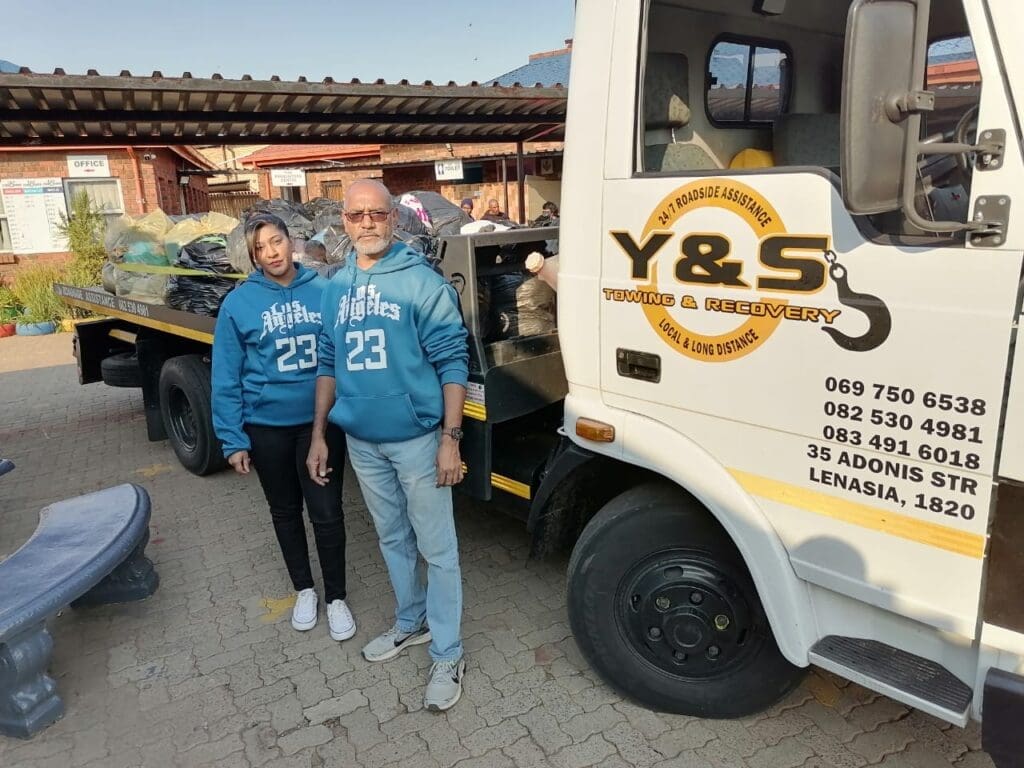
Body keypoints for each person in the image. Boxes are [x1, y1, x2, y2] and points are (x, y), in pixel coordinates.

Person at [307, 179, 469, 711]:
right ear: (344, 222)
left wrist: (450, 438)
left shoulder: (421, 282)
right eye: (356, 216)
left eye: (376, 214)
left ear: (393, 219)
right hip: (362, 441)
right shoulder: (335, 287)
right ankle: (411, 620)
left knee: (437, 549)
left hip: (418, 440)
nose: (367, 223)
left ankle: (448, 652)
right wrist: (319, 434)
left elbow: (452, 360)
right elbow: (328, 363)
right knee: (392, 538)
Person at [212, 213, 355, 642]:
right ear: (253, 256)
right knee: (285, 511)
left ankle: (337, 597)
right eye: (260, 248)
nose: (271, 253)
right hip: (267, 427)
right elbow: (226, 375)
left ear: (291, 242)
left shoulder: (324, 290)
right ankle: (304, 589)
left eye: (276, 241)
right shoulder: (239, 303)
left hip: (320, 424)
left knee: (327, 511)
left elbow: (344, 355)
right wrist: (233, 439)